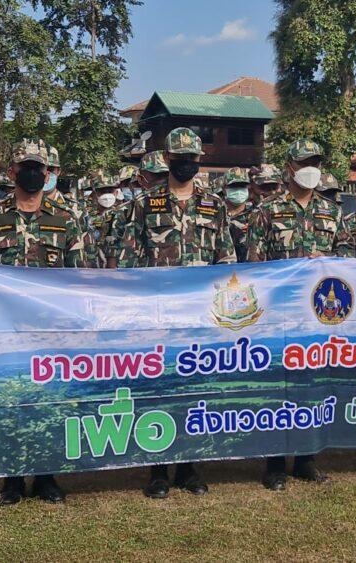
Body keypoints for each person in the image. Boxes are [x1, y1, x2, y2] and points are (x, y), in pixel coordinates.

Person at [0, 138, 90, 504]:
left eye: (38, 167)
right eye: (26, 167)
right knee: (9, 400)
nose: (32, 173)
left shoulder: (66, 218)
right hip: (6, 330)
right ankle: (12, 479)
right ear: (13, 171)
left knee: (51, 401)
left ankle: (47, 477)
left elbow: (80, 274)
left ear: (47, 174)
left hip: (51, 331)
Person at [112, 127, 235, 499]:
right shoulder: (144, 204)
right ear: (167, 159)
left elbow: (226, 260)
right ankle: (158, 470)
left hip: (201, 320)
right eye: (179, 158)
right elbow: (128, 263)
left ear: (199, 161)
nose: (185, 164)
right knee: (159, 391)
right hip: (159, 318)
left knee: (196, 392)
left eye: (191, 159)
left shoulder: (215, 205)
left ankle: (190, 469)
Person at [245, 138, 353, 490]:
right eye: (305, 163)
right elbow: (254, 264)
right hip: (280, 314)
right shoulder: (267, 210)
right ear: (289, 167)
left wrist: (327, 263)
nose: (311, 169)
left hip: (319, 316)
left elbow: (348, 259)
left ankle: (307, 459)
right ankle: (275, 463)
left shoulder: (332, 211)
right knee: (279, 387)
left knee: (312, 386)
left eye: (316, 163)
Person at [84, 171, 122, 268]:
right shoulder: (86, 217)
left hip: (118, 269)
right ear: (95, 193)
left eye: (110, 191)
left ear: (116, 193)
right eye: (102, 191)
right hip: (91, 268)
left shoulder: (124, 215)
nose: (107, 195)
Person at [222, 167, 254, 262]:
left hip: (249, 269)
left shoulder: (256, 214)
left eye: (242, 186)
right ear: (224, 189)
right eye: (233, 186)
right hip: (222, 268)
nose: (239, 190)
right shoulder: (217, 213)